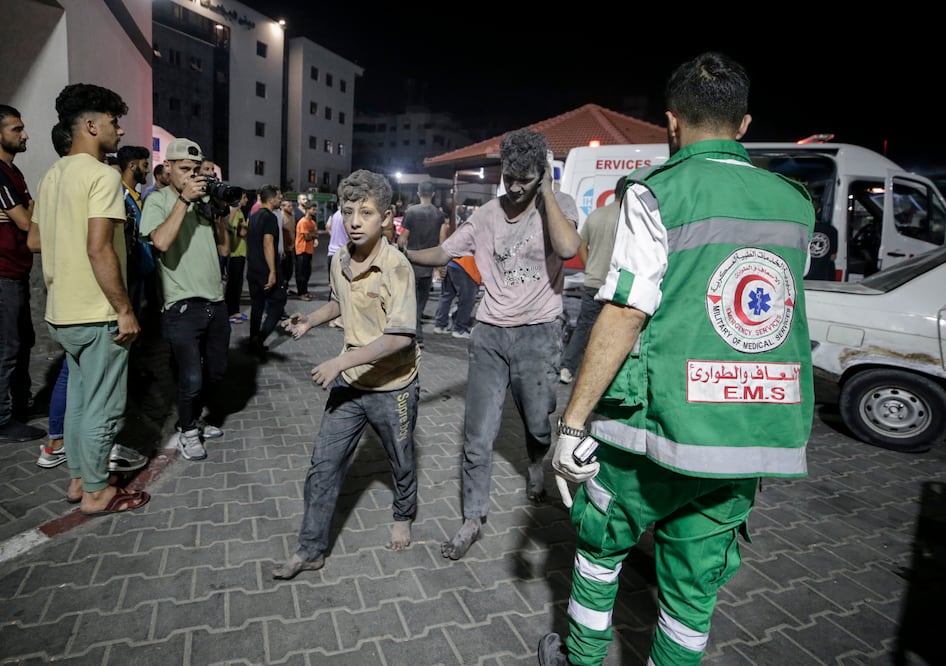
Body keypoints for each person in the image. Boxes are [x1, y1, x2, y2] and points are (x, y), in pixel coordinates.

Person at [537, 52, 815, 666]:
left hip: (651, 433)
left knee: (600, 552)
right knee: (692, 597)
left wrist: (573, 425)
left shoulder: (657, 195)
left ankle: (579, 658)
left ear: (670, 123)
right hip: (743, 437)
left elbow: (627, 309)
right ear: (743, 125)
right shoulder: (795, 204)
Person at [404, 128, 580, 560]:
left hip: (539, 334)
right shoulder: (485, 215)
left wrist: (550, 193)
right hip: (489, 335)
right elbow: (445, 252)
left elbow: (569, 246)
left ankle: (535, 463)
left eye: (526, 179)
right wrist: (402, 253)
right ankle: (472, 518)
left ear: (541, 174)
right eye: (510, 178)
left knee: (539, 423)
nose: (516, 188)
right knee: (477, 434)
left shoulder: (557, 208)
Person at [272, 169, 419, 580]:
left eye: (366, 213)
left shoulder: (397, 268)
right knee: (323, 466)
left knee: (401, 459)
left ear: (386, 218)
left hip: (393, 387)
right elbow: (339, 303)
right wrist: (310, 321)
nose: (355, 221)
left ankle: (404, 514)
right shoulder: (339, 260)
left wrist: (338, 362)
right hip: (351, 385)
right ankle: (311, 548)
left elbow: (400, 338)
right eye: (348, 211)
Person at [31, 83, 149, 516]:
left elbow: (33, 240)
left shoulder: (53, 174)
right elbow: (100, 248)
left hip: (62, 311)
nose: (119, 130)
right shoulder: (102, 176)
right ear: (92, 124)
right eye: (115, 122)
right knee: (104, 405)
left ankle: (82, 479)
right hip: (98, 312)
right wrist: (123, 308)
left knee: (80, 400)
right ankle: (98, 493)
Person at [139, 138, 230, 462]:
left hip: (215, 303)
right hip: (181, 306)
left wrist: (218, 212)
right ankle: (187, 429)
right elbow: (160, 242)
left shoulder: (202, 203)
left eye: (197, 170)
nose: (193, 177)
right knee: (190, 377)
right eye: (185, 170)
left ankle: (196, 419)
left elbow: (224, 249)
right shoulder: (159, 200)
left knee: (216, 371)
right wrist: (183, 200)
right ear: (168, 170)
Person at [0, 104, 45, 443]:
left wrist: (24, 212)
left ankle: (18, 407)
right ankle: (3, 420)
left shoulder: (14, 173)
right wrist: (23, 214)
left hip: (17, 270)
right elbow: (29, 223)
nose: (24, 134)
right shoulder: (0, 174)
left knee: (23, 342)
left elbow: (30, 210)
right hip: (3, 273)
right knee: (8, 346)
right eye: (16, 129)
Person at [558, 176, 626, 385]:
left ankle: (567, 368)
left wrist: (590, 266)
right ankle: (605, 375)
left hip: (593, 281)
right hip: (617, 284)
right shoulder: (627, 219)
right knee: (614, 331)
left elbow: (581, 244)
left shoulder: (596, 215)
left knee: (584, 326)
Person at [397, 181, 444, 347]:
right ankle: (416, 331)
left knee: (411, 300)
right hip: (429, 262)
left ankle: (416, 334)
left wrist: (399, 247)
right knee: (421, 301)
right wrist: (440, 266)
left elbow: (403, 238)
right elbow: (442, 242)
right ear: (433, 194)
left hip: (412, 261)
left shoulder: (411, 212)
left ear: (418, 193)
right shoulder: (439, 215)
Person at [245, 184, 288, 357]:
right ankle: (260, 338)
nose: (281, 199)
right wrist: (272, 271)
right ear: (271, 199)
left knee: (257, 305)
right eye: (278, 197)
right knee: (279, 302)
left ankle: (252, 339)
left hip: (253, 269)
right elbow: (268, 243)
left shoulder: (254, 216)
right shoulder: (269, 217)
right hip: (265, 270)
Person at [116, 145, 156, 324]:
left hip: (141, 269)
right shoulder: (119, 195)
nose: (147, 170)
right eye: (145, 165)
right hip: (129, 269)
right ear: (132, 166)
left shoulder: (136, 196)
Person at [432, 215, 480, 339]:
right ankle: (459, 329)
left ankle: (440, 325)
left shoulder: (467, 229)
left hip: (453, 263)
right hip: (467, 268)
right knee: (467, 299)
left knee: (447, 295)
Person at [225, 191, 249, 323]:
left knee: (238, 284)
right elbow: (229, 228)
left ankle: (235, 311)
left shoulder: (240, 212)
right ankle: (229, 312)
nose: (246, 200)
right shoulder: (231, 210)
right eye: (244, 197)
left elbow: (242, 231)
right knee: (232, 285)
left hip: (241, 252)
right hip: (232, 253)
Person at [324, 203, 347, 328]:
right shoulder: (346, 216)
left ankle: (331, 319)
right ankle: (338, 318)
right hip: (342, 254)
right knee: (342, 287)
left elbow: (327, 226)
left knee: (333, 287)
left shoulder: (335, 215)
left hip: (331, 253)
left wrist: (334, 237)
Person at [294, 201, 318, 300]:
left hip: (309, 250)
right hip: (301, 250)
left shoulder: (312, 222)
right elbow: (307, 237)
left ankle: (305, 291)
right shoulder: (303, 222)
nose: (315, 211)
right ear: (307, 210)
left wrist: (312, 236)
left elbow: (315, 235)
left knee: (307, 272)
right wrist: (313, 236)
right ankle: (301, 293)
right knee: (301, 273)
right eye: (313, 209)